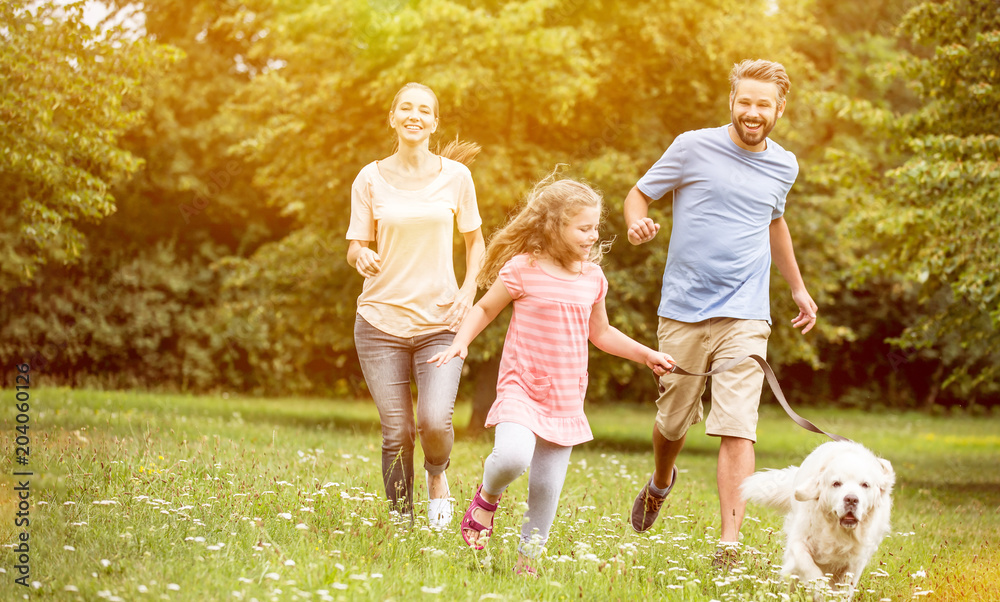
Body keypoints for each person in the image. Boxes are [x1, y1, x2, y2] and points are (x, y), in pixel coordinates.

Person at [622, 59, 818, 567]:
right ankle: (661, 481)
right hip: (683, 309)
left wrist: (797, 288)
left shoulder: (785, 165)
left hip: (746, 313)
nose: (753, 112)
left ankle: (729, 543)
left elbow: (774, 222)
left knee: (738, 425)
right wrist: (637, 223)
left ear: (779, 109)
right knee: (672, 421)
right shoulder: (692, 147)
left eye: (763, 104)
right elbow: (639, 194)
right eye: (744, 101)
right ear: (732, 101)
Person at [429, 174, 676, 574]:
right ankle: (487, 496)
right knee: (511, 457)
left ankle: (527, 565)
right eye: (584, 228)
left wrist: (646, 354)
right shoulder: (523, 269)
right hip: (521, 386)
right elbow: (485, 308)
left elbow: (601, 333)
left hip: (565, 395)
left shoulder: (592, 278)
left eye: (595, 227)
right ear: (555, 226)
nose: (593, 236)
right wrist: (461, 341)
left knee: (546, 487)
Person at [347, 82, 485, 529]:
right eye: (405, 108)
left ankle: (436, 473)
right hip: (379, 323)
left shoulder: (456, 177)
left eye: (424, 110)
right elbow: (355, 246)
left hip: (441, 323)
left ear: (434, 122)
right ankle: (402, 524)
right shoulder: (369, 178)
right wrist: (360, 255)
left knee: (434, 422)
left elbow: (475, 241)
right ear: (392, 118)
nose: (414, 115)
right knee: (397, 432)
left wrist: (469, 290)